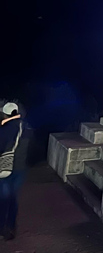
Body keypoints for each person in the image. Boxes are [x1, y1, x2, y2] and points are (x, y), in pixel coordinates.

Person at [0, 102, 29, 241]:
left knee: (3, 199)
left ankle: (1, 229)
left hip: (5, 168)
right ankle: (11, 228)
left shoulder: (5, 129)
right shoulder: (27, 128)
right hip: (20, 167)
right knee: (13, 199)